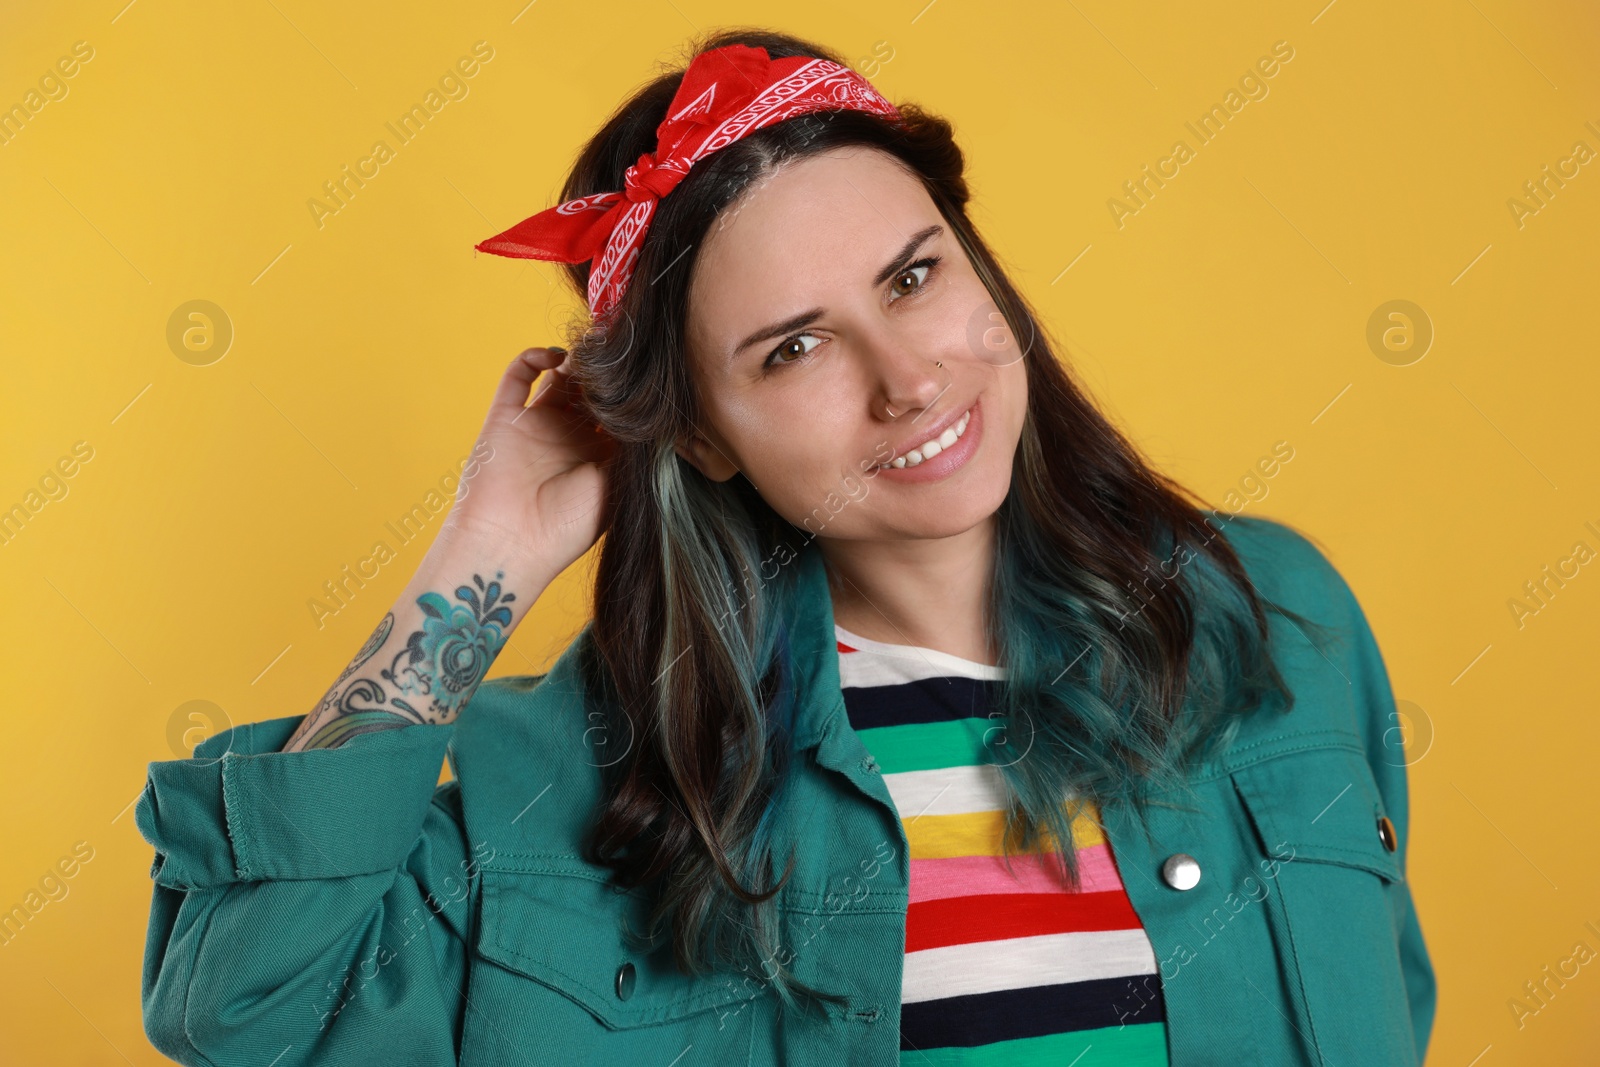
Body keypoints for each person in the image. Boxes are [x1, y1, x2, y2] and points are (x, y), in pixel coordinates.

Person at [135, 28, 1436, 1066]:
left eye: (915, 276)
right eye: (794, 348)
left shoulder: (1277, 616)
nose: (907, 380)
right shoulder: (592, 776)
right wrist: (479, 559)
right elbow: (248, 1008)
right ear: (701, 435)